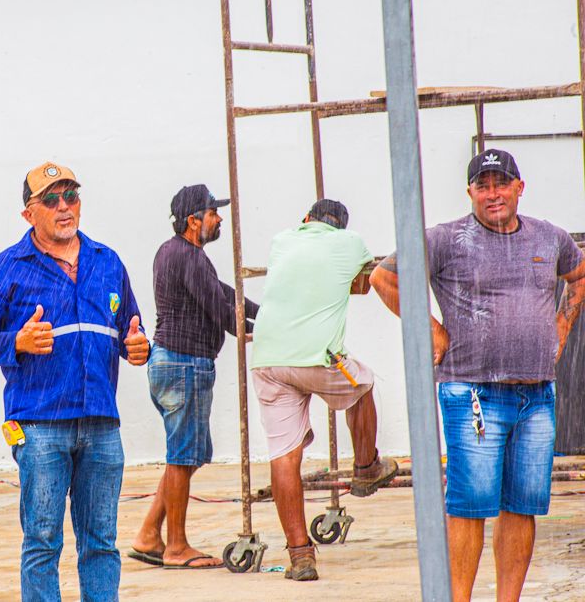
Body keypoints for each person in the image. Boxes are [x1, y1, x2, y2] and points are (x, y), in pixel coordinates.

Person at [369, 149, 585, 602]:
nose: (493, 193)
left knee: (521, 506)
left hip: (536, 395)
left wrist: (562, 326)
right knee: (470, 506)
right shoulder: (446, 239)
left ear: (519, 187)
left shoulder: (550, 237)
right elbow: (384, 278)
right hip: (472, 393)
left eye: (501, 183)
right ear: (469, 192)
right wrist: (431, 329)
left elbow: (579, 275)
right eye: (482, 185)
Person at [0, 162, 150, 602]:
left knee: (101, 542)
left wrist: (140, 348)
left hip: (101, 425)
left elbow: (131, 333)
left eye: (71, 196)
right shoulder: (9, 267)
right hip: (40, 426)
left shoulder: (107, 262)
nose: (64, 207)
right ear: (29, 214)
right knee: (43, 542)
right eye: (51, 199)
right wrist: (17, 341)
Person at [250, 200, 397, 582]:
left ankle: (300, 555)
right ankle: (366, 468)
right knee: (362, 385)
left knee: (284, 456)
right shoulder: (350, 242)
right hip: (317, 356)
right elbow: (365, 282)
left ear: (306, 220)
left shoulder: (282, 240)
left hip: (267, 358)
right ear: (340, 226)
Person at [129, 184, 257, 570]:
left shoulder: (175, 252)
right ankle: (176, 546)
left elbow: (225, 293)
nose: (219, 219)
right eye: (213, 213)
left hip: (172, 364)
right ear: (193, 221)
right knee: (183, 456)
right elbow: (221, 310)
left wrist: (265, 314)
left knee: (186, 458)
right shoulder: (191, 257)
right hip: (184, 365)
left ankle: (149, 534)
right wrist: (263, 332)